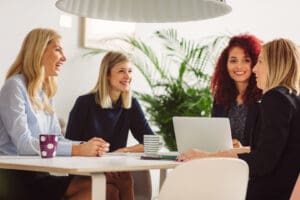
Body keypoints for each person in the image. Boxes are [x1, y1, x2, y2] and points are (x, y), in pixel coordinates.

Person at [178, 38, 300, 200]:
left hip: (266, 192)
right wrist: (224, 152)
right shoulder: (292, 97)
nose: (255, 69)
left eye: (260, 62)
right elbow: (271, 150)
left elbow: (263, 161)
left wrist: (206, 157)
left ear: (275, 64)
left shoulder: (274, 98)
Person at [0, 28, 110, 200]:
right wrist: (79, 149)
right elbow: (24, 144)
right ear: (39, 51)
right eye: (58, 49)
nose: (64, 58)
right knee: (96, 186)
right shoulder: (14, 87)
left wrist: (87, 145)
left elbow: (57, 139)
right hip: (15, 177)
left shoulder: (45, 93)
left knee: (106, 185)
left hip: (39, 172)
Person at [65, 51, 155, 199]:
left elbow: (152, 143)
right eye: (121, 71)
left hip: (115, 169)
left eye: (130, 71)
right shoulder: (84, 103)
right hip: (85, 171)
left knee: (124, 179)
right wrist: (102, 164)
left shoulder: (131, 105)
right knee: (114, 188)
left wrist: (122, 152)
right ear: (107, 74)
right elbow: (70, 146)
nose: (127, 77)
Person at [210, 34, 262, 147]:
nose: (239, 66)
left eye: (246, 60)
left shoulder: (263, 98)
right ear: (225, 64)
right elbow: (214, 137)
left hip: (251, 162)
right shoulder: (220, 98)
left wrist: (241, 148)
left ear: (255, 63)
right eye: (233, 61)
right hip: (224, 160)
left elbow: (267, 146)